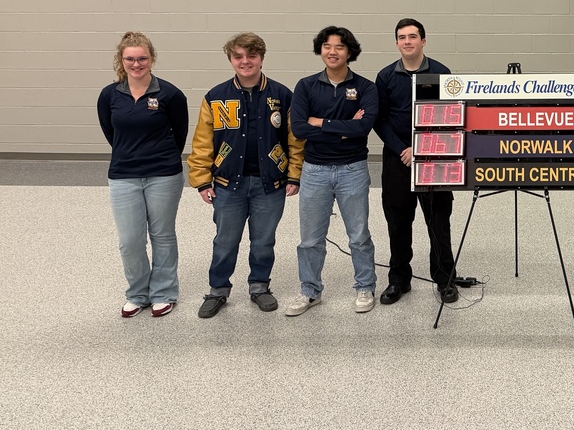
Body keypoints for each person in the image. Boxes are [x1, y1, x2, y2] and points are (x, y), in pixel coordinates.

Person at [186, 32, 304, 318]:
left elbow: (295, 139)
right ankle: (218, 290)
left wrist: (293, 175)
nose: (245, 61)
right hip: (228, 185)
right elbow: (202, 142)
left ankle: (259, 287)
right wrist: (201, 179)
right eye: (238, 56)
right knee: (225, 241)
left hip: (270, 184)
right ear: (230, 60)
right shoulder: (216, 97)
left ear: (261, 58)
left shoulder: (282, 95)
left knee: (263, 241)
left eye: (251, 55)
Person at [286, 26, 378, 316]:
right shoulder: (306, 86)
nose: (332, 51)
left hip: (353, 169)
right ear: (320, 50)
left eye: (339, 46)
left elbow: (363, 128)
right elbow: (299, 129)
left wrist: (320, 122)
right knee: (310, 240)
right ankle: (310, 291)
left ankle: (365, 287)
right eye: (327, 46)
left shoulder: (365, 87)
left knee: (358, 235)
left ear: (350, 51)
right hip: (314, 171)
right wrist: (344, 129)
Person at [97, 31, 188, 318]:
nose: (136, 64)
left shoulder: (170, 94)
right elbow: (111, 133)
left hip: (164, 175)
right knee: (130, 241)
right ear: (121, 60)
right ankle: (137, 293)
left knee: (162, 235)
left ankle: (164, 292)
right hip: (123, 176)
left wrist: (159, 156)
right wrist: (130, 152)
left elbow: (180, 134)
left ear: (152, 59)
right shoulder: (109, 95)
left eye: (142, 59)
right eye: (130, 59)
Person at [373, 18, 460, 305]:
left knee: (438, 221)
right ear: (396, 43)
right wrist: (403, 149)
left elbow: (450, 116)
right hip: (397, 159)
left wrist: (421, 148)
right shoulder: (385, 76)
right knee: (398, 223)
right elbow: (380, 120)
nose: (407, 41)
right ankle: (399, 280)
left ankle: (445, 278)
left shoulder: (441, 73)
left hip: (435, 158)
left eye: (412, 36)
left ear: (423, 41)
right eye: (402, 37)